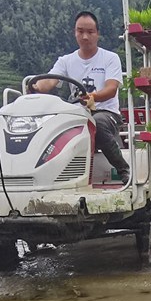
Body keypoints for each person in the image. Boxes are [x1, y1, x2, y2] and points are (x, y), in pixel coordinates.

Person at [31, 11, 130, 184]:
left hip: (106, 113)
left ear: (97, 34)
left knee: (96, 123)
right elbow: (49, 81)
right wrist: (35, 86)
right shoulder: (66, 61)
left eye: (90, 32)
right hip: (77, 115)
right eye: (80, 31)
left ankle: (124, 169)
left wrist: (92, 97)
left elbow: (111, 89)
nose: (85, 36)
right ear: (74, 32)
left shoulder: (110, 58)